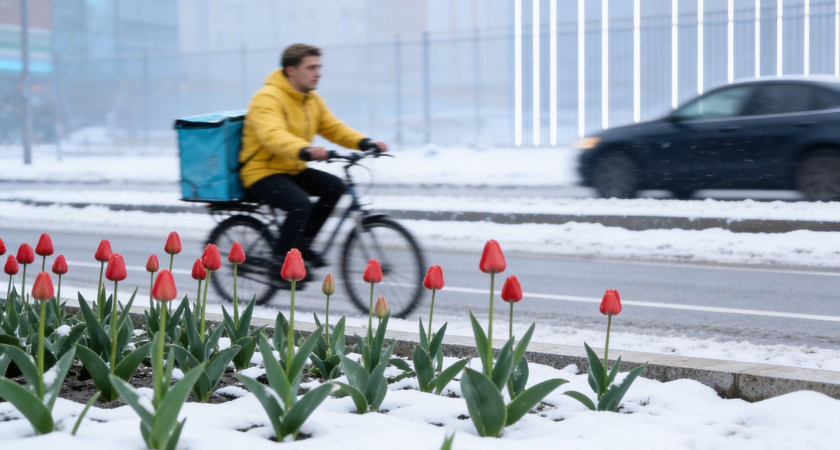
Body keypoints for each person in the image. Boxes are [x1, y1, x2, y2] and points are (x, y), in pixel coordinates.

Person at [239, 44, 387, 280]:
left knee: (335, 187)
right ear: (291, 70)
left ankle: (301, 245)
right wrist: (303, 149)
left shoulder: (311, 101)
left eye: (319, 67)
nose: (318, 73)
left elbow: (334, 128)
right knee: (300, 204)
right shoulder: (266, 98)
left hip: (291, 167)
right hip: (261, 171)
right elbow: (272, 134)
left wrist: (364, 142)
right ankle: (280, 262)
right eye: (311, 67)